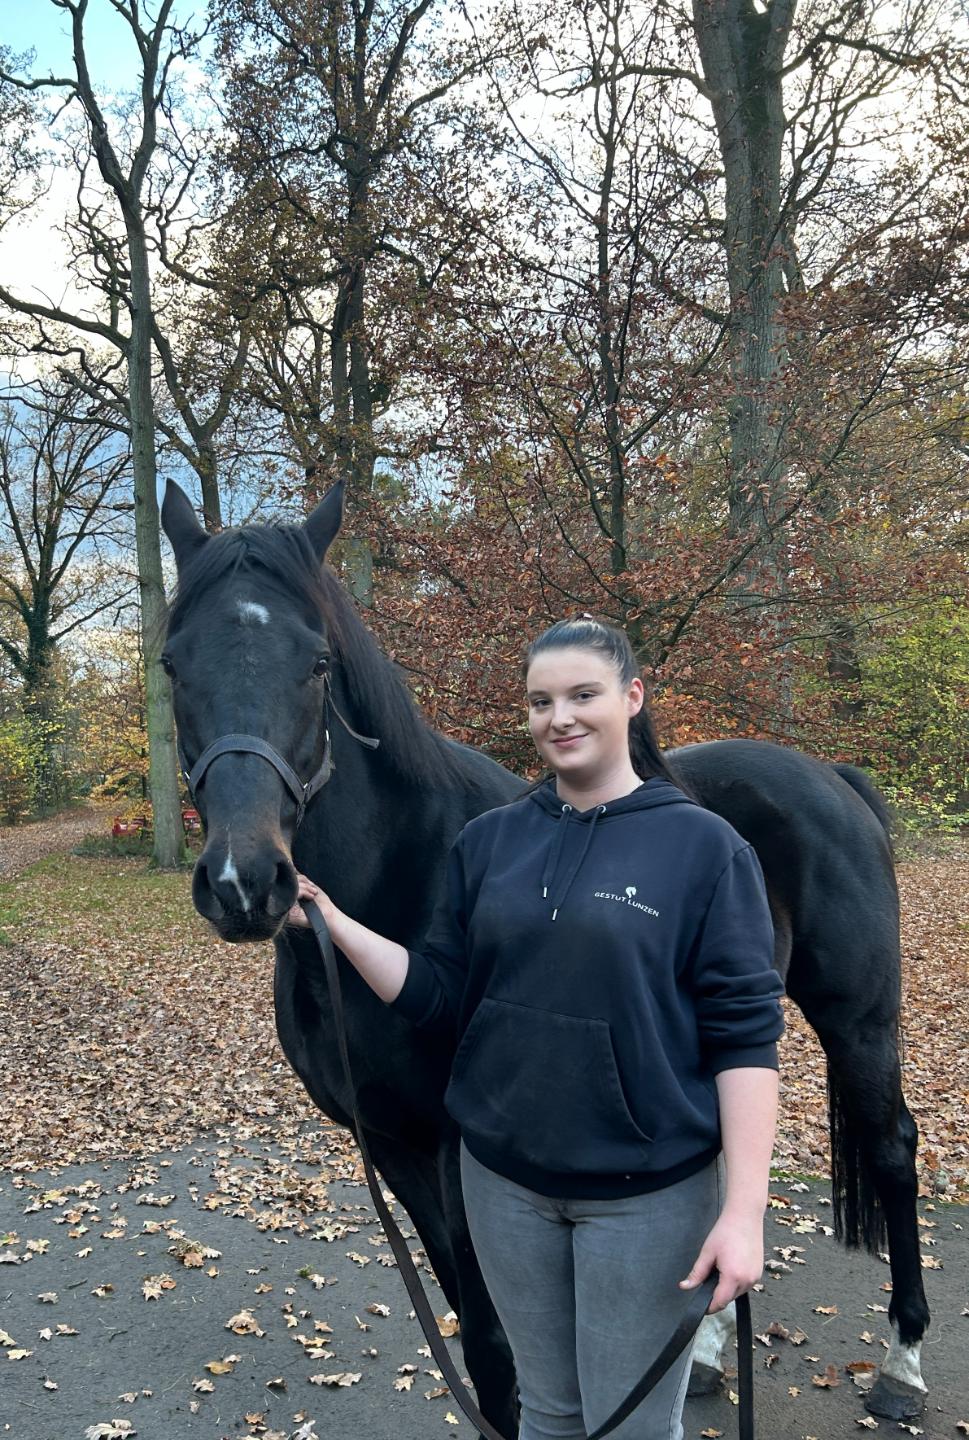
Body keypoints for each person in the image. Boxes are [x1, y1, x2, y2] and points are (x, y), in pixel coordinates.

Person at [287, 615, 784, 1440]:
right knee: (547, 1416)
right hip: (503, 1191)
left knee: (628, 1429)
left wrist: (743, 1212)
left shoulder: (704, 848)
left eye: (583, 695)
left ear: (631, 697)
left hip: (645, 1199)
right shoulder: (489, 841)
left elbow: (744, 1041)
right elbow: (440, 993)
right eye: (540, 701)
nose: (560, 718)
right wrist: (332, 921)